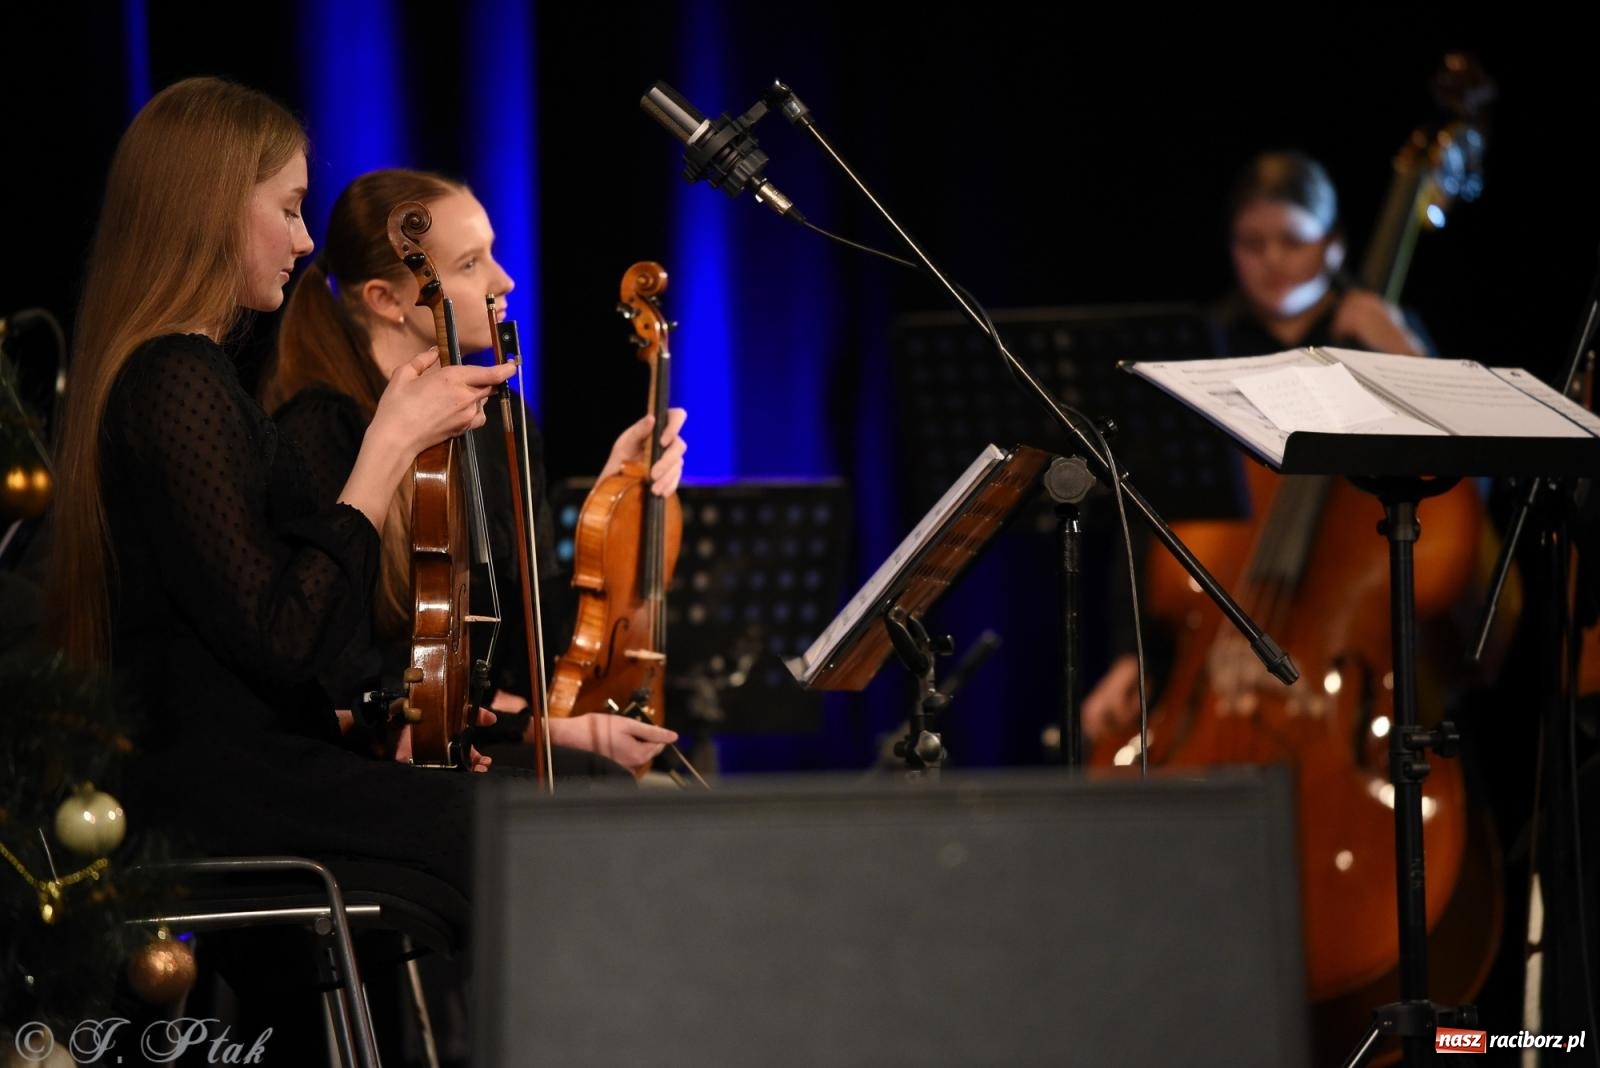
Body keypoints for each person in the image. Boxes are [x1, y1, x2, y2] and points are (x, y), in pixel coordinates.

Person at [46, 77, 528, 901]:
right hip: (220, 795)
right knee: (519, 829)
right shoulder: (174, 378)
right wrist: (385, 449)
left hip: (250, 772)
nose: (306, 242)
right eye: (289, 209)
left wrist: (376, 723)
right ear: (211, 209)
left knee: (505, 820)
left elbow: (251, 654)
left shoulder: (191, 374)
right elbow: (285, 635)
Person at [261, 167, 685, 772]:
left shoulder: (505, 420)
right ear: (387, 300)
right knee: (603, 783)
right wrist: (554, 734)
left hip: (492, 730)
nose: (504, 279)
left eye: (490, 253)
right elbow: (344, 671)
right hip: (382, 752)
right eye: (469, 264)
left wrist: (615, 492)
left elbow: (536, 636)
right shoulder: (325, 430)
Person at [1082, 149, 1434, 743]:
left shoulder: (1382, 338)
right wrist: (1131, 653)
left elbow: (1466, 471)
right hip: (1208, 659)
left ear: (1334, 245)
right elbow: (1146, 514)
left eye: (1292, 242)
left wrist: (1395, 343)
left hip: (1347, 667)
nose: (1272, 261)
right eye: (1252, 242)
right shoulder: (1205, 350)